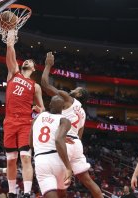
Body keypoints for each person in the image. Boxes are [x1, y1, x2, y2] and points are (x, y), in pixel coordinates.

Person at [41, 52, 103, 198]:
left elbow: (45, 84)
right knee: (87, 180)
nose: (73, 89)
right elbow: (79, 136)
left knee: (58, 182)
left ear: (80, 94)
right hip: (76, 144)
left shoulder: (67, 99)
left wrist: (48, 65)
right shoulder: (82, 112)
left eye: (77, 89)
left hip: (65, 142)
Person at [4, 31, 45, 198]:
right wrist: (10, 43)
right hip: (9, 121)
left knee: (25, 158)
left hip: (25, 123)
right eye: (26, 60)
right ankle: (12, 193)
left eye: (31, 62)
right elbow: (11, 57)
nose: (27, 61)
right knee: (10, 160)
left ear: (34, 69)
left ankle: (27, 193)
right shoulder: (13, 73)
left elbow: (43, 109)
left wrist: (38, 109)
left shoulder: (35, 86)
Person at [30, 95, 73, 198]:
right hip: (58, 159)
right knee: (62, 194)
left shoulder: (37, 117)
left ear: (49, 105)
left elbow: (31, 144)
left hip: (41, 159)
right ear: (63, 108)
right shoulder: (64, 120)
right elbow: (58, 139)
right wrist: (68, 167)